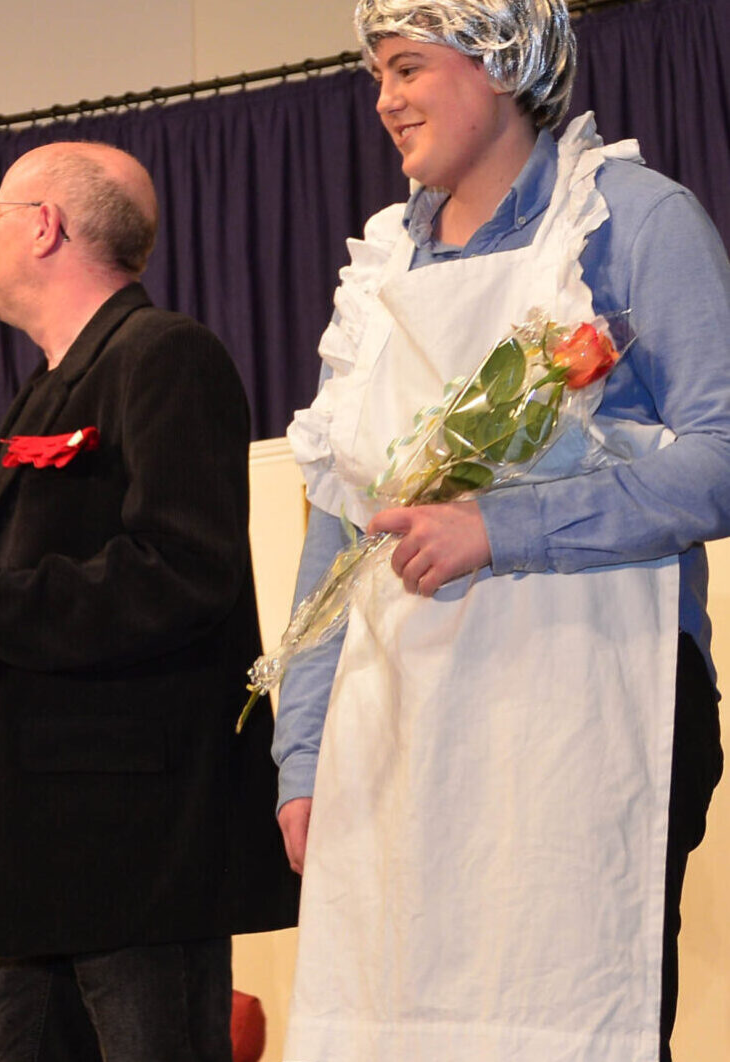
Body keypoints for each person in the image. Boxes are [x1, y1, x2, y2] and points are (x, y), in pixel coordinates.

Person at [273, 2, 730, 1059]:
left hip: (593, 708)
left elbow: (720, 453)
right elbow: (337, 531)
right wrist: (303, 759)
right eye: (376, 75)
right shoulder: (383, 264)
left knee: (566, 1018)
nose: (384, 100)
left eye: (406, 68)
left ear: (499, 62)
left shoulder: (630, 220)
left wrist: (504, 527)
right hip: (402, 736)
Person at [0, 142, 299, 1061]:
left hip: (129, 848)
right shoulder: (42, 389)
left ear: (44, 226)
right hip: (30, 850)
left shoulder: (164, 355)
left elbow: (180, 575)